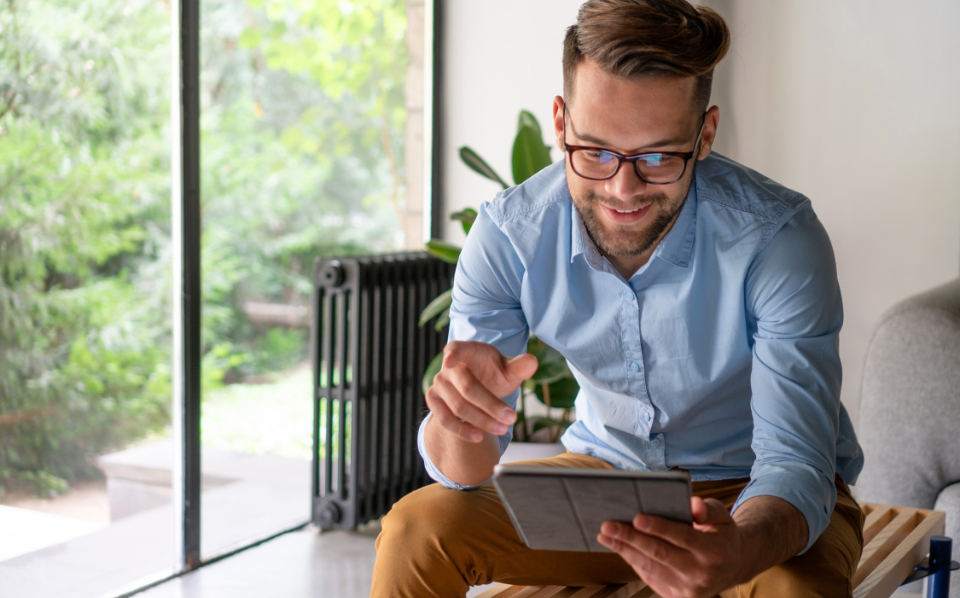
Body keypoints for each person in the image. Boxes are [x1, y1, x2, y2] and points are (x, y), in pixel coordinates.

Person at [371, 0, 865, 596]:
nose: (622, 188)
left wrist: (739, 548)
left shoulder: (778, 239)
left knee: (797, 592)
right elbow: (463, 470)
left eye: (658, 156)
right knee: (414, 531)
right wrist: (462, 426)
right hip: (601, 486)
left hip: (754, 493)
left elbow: (796, 463)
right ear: (560, 123)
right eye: (595, 151)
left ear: (704, 135)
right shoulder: (510, 235)